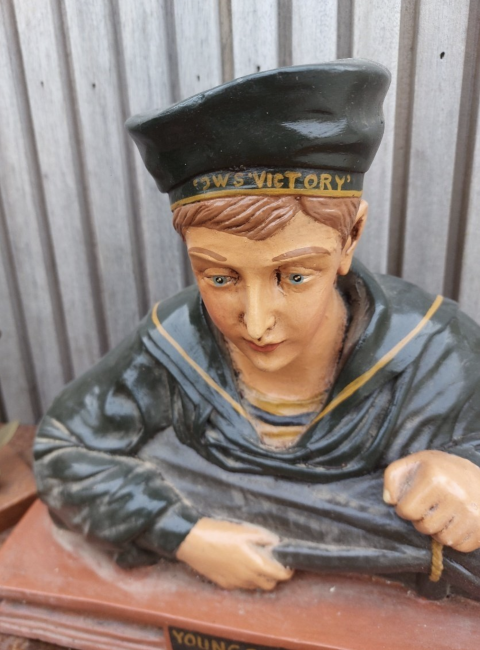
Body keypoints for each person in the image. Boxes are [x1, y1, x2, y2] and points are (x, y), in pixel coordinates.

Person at [34, 60, 480, 600]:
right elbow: (61, 451)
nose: (257, 321)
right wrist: (185, 534)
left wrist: (469, 473)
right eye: (219, 278)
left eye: (294, 276)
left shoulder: (437, 351)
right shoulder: (175, 344)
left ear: (350, 238)